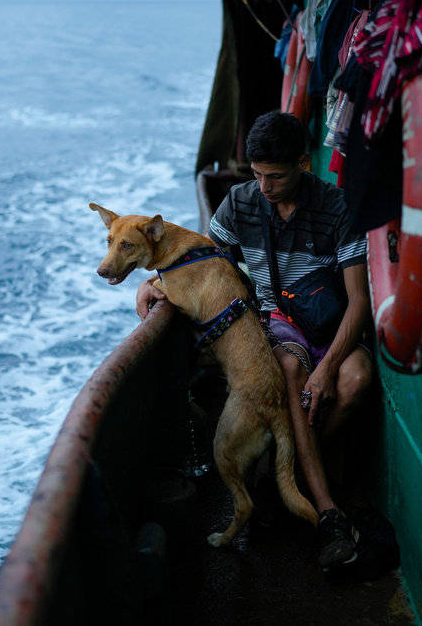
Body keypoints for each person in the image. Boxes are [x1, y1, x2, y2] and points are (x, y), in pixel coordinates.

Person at [135, 110, 374, 570]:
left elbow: (359, 302)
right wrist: (153, 282)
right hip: (280, 324)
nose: (263, 187)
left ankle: (281, 475)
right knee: (288, 371)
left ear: (304, 164)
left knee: (356, 379)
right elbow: (202, 259)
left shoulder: (339, 208)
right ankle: (328, 513)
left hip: (332, 326)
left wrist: (326, 371)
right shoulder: (240, 202)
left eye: (276, 176)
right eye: (258, 175)